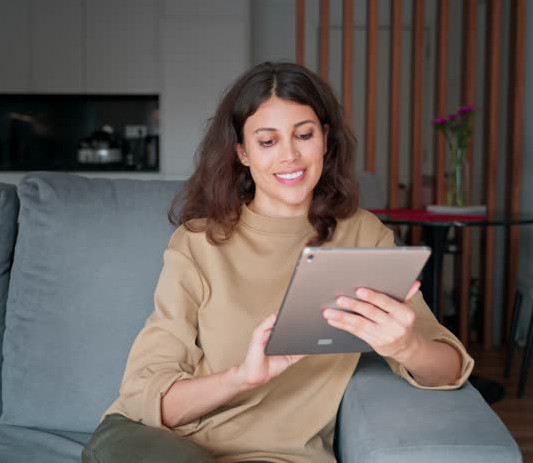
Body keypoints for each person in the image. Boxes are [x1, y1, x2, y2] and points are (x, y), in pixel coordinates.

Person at [82, 62, 474, 463]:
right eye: (267, 141)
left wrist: (406, 345)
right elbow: (145, 398)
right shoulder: (197, 243)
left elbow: (449, 367)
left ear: (325, 140)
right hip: (158, 445)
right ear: (243, 153)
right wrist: (241, 378)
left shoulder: (362, 236)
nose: (290, 155)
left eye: (303, 135)